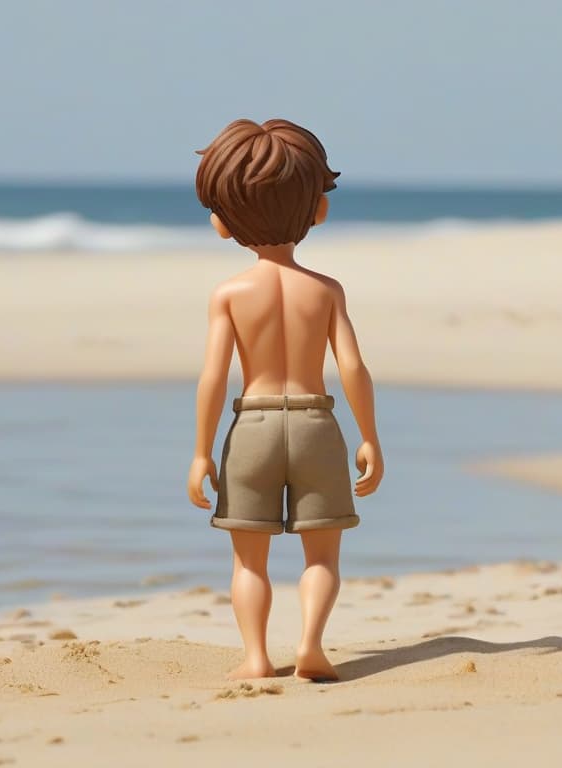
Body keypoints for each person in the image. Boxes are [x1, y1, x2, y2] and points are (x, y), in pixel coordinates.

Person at [185, 118, 384, 682]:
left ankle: (255, 657)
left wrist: (201, 451)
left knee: (249, 559)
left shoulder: (230, 294)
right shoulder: (324, 290)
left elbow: (213, 376)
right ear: (317, 210)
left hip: (253, 427)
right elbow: (352, 367)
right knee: (321, 555)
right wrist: (369, 435)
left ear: (221, 223)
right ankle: (312, 647)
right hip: (319, 424)